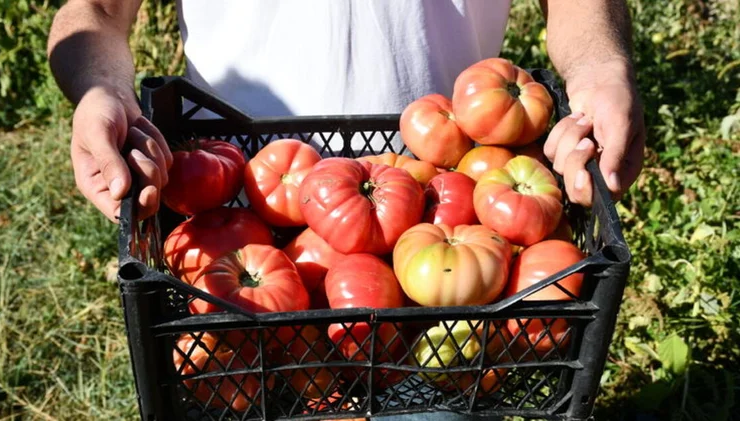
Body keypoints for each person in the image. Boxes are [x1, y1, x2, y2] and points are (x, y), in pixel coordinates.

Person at [47, 1, 644, 419]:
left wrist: (601, 70)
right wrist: (103, 89)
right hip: (227, 199)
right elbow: (96, 9)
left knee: (433, 408)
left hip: (444, 194)